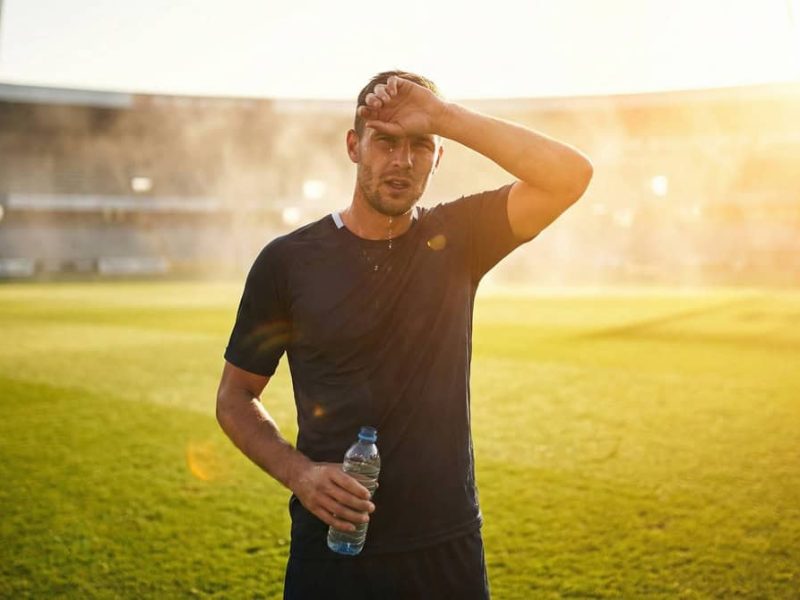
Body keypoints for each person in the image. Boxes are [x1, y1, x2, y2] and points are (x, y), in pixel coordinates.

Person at [216, 70, 593, 599]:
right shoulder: (287, 262)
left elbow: (570, 176)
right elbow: (235, 397)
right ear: (354, 146)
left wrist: (445, 116)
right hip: (333, 549)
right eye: (385, 141)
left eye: (420, 145)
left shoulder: (460, 237)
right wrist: (300, 475)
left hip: (445, 549)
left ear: (439, 158)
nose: (402, 160)